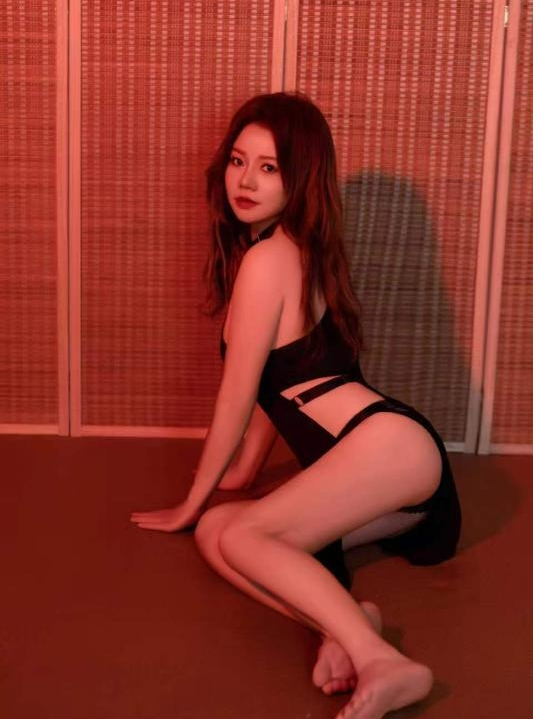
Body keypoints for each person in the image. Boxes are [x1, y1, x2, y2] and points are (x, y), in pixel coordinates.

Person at [131, 92, 462, 719]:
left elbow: (237, 396)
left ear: (300, 177)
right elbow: (276, 388)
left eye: (269, 167)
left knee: (236, 532)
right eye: (238, 161)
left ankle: (383, 661)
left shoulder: (267, 259)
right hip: (390, 466)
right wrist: (243, 474)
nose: (245, 181)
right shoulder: (296, 250)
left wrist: (193, 500)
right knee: (221, 536)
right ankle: (345, 624)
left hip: (388, 446)